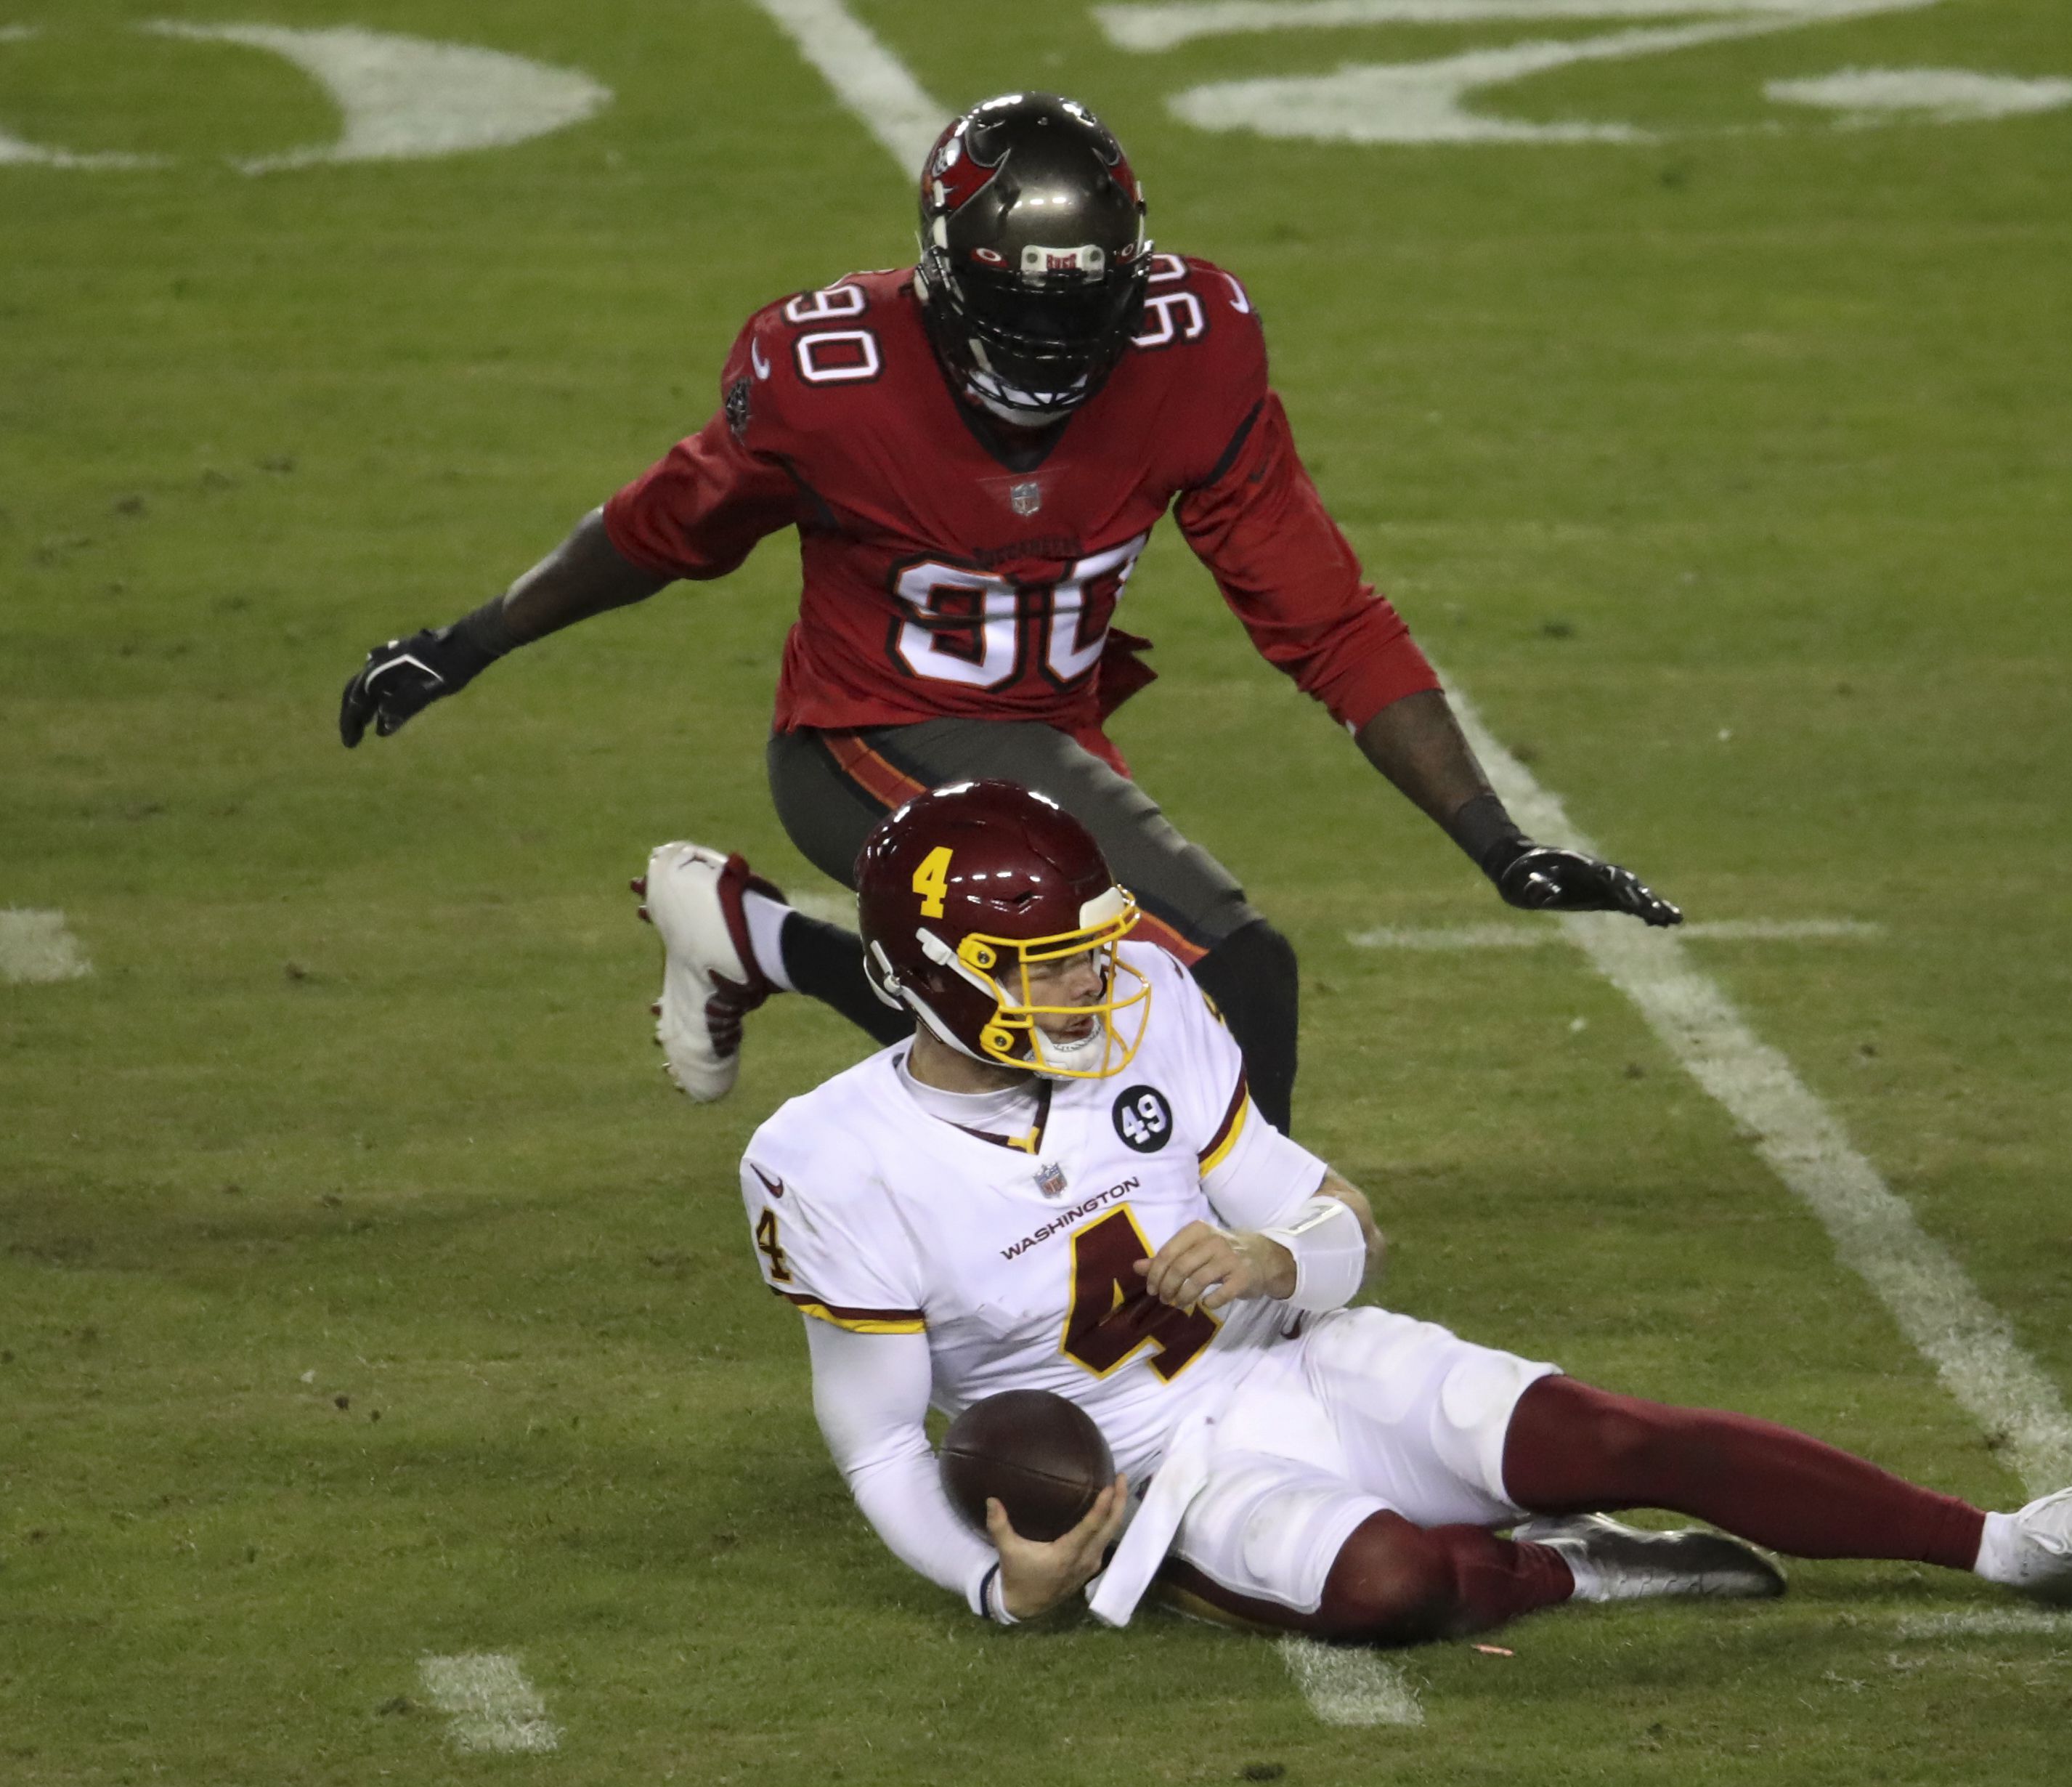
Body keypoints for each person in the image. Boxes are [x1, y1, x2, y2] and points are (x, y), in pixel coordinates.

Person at [339, 92, 1676, 1132]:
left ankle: (759, 940)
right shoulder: (828, 377)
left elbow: (1322, 618)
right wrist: (468, 642)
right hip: (866, 735)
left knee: (1087, 1042)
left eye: (1079, 319)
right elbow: (661, 530)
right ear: (942, 276)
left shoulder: (1189, 350)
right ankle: (1244, 1313)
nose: (1049, 354)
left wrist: (1498, 843)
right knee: (1227, 971)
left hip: (1048, 742)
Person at [744, 778, 2072, 1641]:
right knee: (1387, 1590)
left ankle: (1998, 1544)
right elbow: (875, 1444)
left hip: (1283, 1364)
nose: (1086, 987)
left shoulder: (1153, 1009)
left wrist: (1268, 1256)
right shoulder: (834, 1156)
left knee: (1614, 1434)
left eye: (1083, 955)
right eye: (1045, 966)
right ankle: (1577, 1579)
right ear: (936, 972)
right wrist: (1008, 1588)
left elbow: (1337, 1231)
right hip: (1143, 1473)